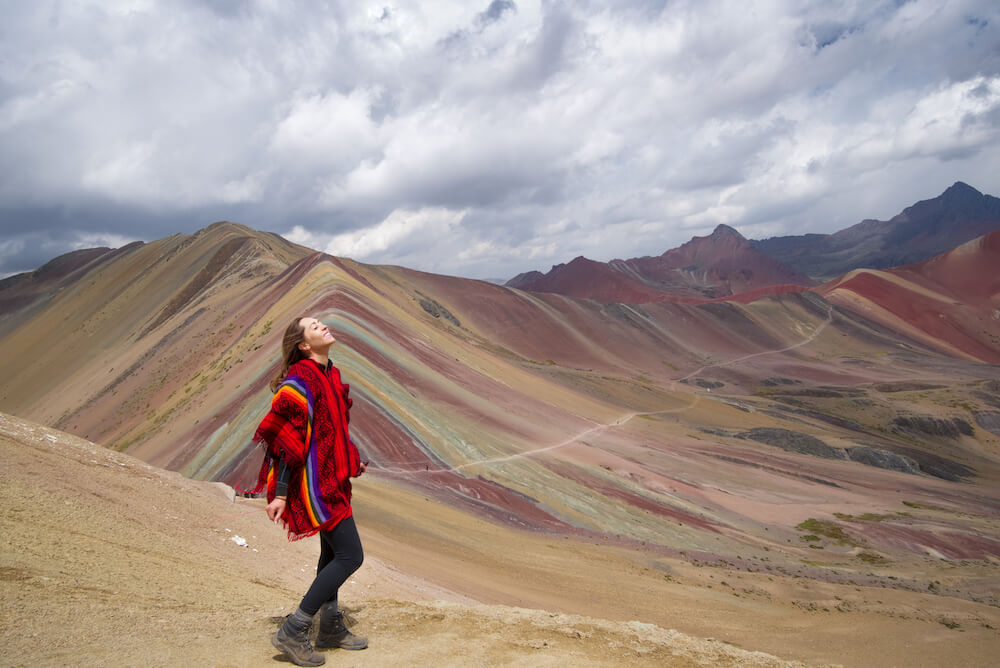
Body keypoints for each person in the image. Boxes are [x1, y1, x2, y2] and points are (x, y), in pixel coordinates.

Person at [250, 316, 369, 667]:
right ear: (303, 345)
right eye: (315, 327)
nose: (323, 326)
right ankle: (295, 627)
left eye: (321, 323)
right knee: (351, 556)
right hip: (315, 486)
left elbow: (331, 430)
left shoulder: (329, 374)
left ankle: (330, 626)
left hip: (334, 479)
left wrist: (351, 459)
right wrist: (282, 493)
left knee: (331, 556)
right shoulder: (299, 380)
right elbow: (287, 440)